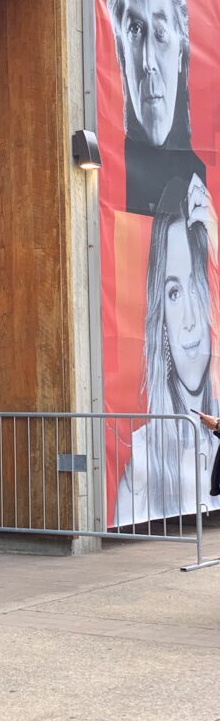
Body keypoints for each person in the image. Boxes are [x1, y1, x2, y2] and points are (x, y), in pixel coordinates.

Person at [115, 175, 220, 524]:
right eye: (174, 292)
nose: (190, 319)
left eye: (198, 285)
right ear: (161, 319)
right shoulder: (142, 464)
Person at [105, 0, 205, 215]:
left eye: (160, 32)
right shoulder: (107, 180)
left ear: (181, 43)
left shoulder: (204, 187)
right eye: (134, 29)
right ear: (119, 46)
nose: (147, 59)